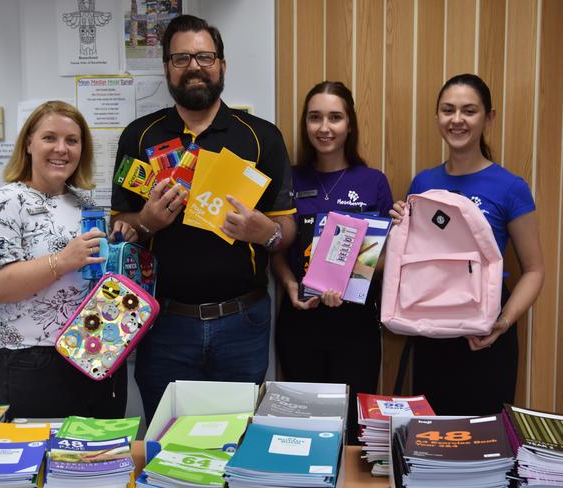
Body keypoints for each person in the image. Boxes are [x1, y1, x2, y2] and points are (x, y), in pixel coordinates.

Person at [111, 14, 296, 423]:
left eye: (204, 56)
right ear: (166, 69)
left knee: (235, 442)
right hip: (162, 322)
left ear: (222, 65)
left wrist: (264, 232)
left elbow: (286, 230)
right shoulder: (140, 136)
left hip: (242, 322)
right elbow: (119, 226)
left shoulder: (262, 136)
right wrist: (146, 222)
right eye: (181, 58)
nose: (194, 66)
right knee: (164, 445)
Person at [0, 100, 137, 420]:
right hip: (34, 363)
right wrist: (63, 260)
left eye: (72, 140)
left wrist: (119, 250)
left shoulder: (86, 204)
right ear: (28, 143)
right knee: (39, 464)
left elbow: (92, 278)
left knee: (98, 463)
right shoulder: (4, 202)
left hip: (98, 353)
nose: (61, 149)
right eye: (49, 138)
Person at [390, 74, 544, 415]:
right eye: (448, 110)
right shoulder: (423, 182)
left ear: (489, 117)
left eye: (468, 111)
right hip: (430, 324)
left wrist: (502, 322)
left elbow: (534, 270)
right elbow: (414, 259)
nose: (456, 119)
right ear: (436, 117)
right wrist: (399, 224)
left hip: (485, 331)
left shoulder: (510, 187)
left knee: (485, 437)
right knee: (431, 435)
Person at [272, 81, 393, 444]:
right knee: (303, 429)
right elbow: (276, 249)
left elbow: (388, 257)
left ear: (349, 124)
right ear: (305, 124)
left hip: (356, 326)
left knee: (354, 434)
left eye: (335, 117)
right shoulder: (289, 178)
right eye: (315, 117)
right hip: (300, 319)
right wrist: (290, 285)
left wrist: (352, 274)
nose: (324, 128)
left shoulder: (373, 182)